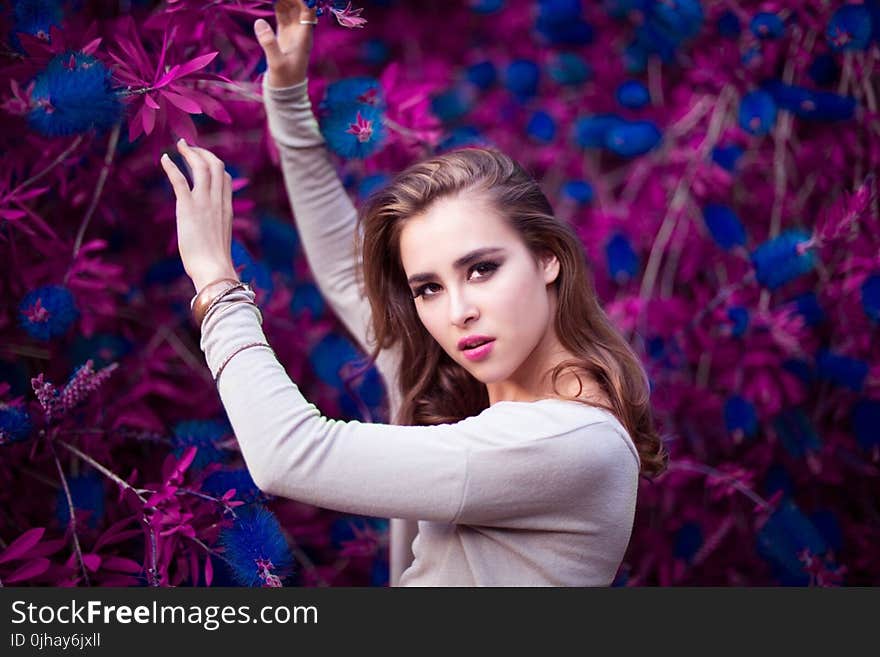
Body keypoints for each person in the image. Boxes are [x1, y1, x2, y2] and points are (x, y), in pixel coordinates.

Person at [159, 0, 667, 586]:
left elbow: (287, 455)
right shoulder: (470, 390)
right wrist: (290, 104)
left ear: (548, 258)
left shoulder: (566, 443)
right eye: (428, 287)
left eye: (481, 269)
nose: (458, 312)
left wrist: (216, 286)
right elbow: (349, 275)